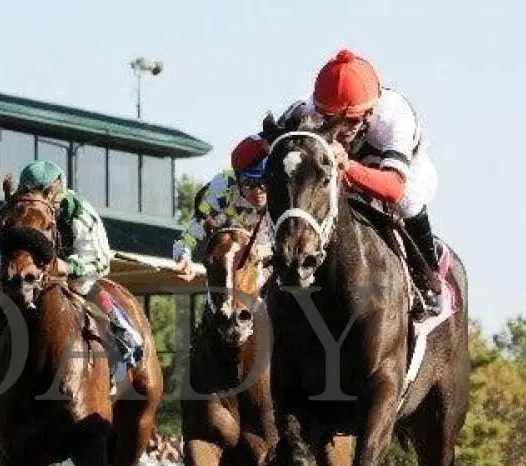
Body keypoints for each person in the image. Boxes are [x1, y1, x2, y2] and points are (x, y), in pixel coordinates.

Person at [259, 49, 445, 313]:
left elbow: (393, 189)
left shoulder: (395, 115)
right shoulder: (305, 107)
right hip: (340, 171)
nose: (342, 128)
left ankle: (428, 277)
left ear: (371, 110)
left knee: (410, 200)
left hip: (397, 175)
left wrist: (349, 167)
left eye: (352, 120)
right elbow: (243, 154)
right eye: (330, 118)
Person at [0, 160, 144, 383]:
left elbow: (100, 262)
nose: (37, 201)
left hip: (70, 269)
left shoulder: (79, 210)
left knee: (86, 285)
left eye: (44, 195)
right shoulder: (8, 213)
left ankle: (124, 334)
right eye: (31, 193)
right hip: (24, 273)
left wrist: (70, 267)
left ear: (55, 193)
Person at [173, 154, 270, 282]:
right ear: (239, 182)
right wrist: (184, 258)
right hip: (226, 226)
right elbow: (185, 239)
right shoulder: (221, 191)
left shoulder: (282, 193)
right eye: (250, 183)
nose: (258, 191)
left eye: (264, 183)